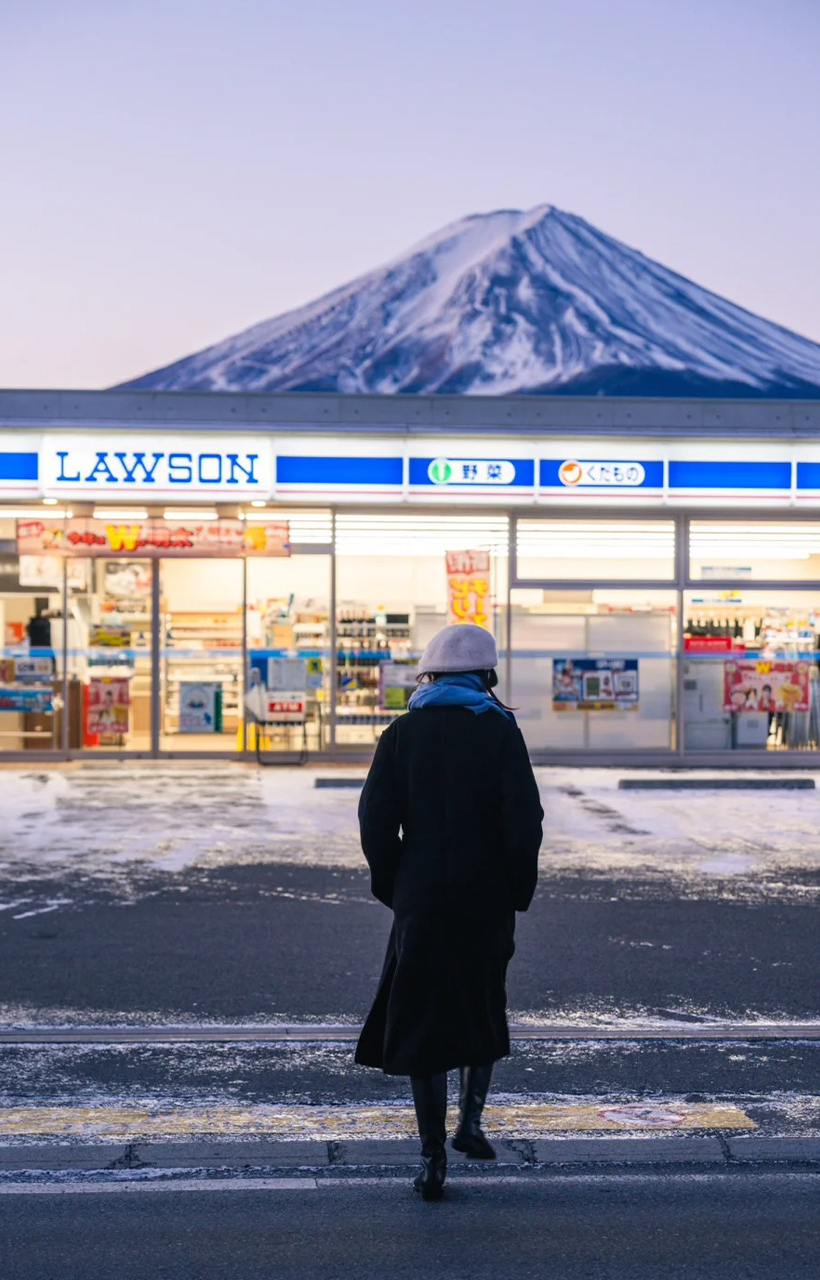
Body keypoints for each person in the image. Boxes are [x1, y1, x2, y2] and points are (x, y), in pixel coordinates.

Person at [354, 623, 544, 1201]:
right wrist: (514, 890)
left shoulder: (401, 734)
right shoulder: (500, 733)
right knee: (481, 1000)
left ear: (429, 674)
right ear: (487, 676)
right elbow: (524, 824)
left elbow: (374, 823)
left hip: (422, 900)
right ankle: (471, 1125)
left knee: (420, 1017)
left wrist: (397, 885)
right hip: (484, 896)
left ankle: (432, 1155)